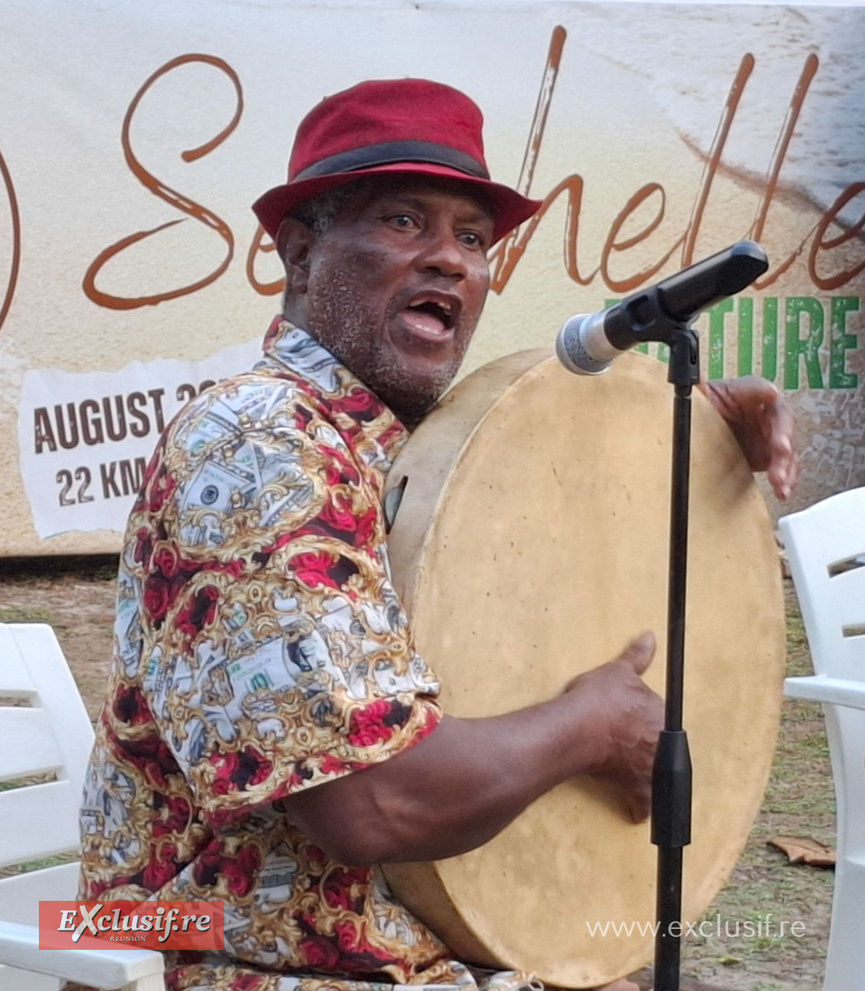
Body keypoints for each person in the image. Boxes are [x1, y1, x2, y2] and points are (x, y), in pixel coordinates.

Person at [74, 78, 799, 991]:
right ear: (301, 256)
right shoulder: (263, 443)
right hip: (217, 947)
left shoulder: (407, 443)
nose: (450, 260)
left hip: (406, 939)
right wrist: (592, 726)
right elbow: (372, 804)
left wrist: (690, 437)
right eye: (403, 222)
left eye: (470, 238)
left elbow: (575, 534)